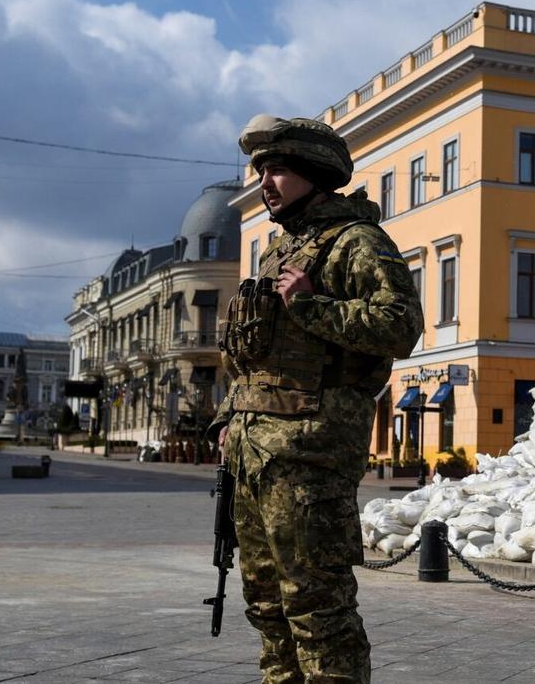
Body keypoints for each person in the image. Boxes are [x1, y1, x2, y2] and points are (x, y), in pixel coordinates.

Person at [211, 114, 421, 682]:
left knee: (317, 610)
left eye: (277, 170)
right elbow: (254, 358)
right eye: (261, 172)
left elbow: (400, 325)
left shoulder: (356, 242)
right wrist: (230, 418)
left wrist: (311, 305)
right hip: (256, 460)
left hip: (310, 462)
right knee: (267, 607)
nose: (265, 184)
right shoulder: (279, 253)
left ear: (314, 173)